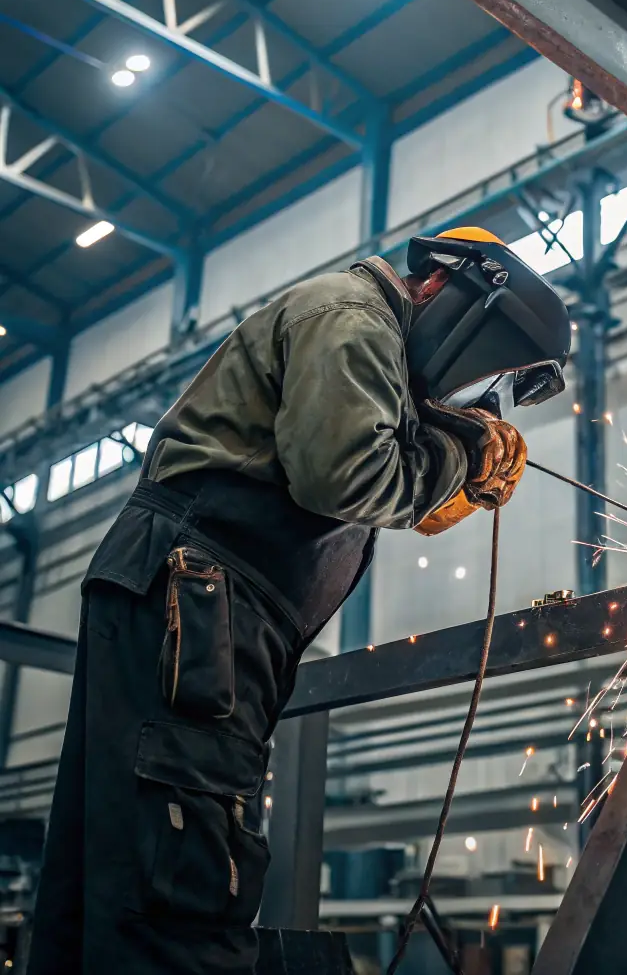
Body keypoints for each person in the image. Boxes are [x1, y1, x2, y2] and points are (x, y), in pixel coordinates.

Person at [27, 227, 570, 975]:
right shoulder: (352, 318)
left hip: (203, 609)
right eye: (493, 379)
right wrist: (459, 457)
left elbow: (354, 472)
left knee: (109, 874)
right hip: (199, 604)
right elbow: (342, 477)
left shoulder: (369, 350)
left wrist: (438, 458)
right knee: (178, 874)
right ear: (452, 294)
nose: (482, 405)